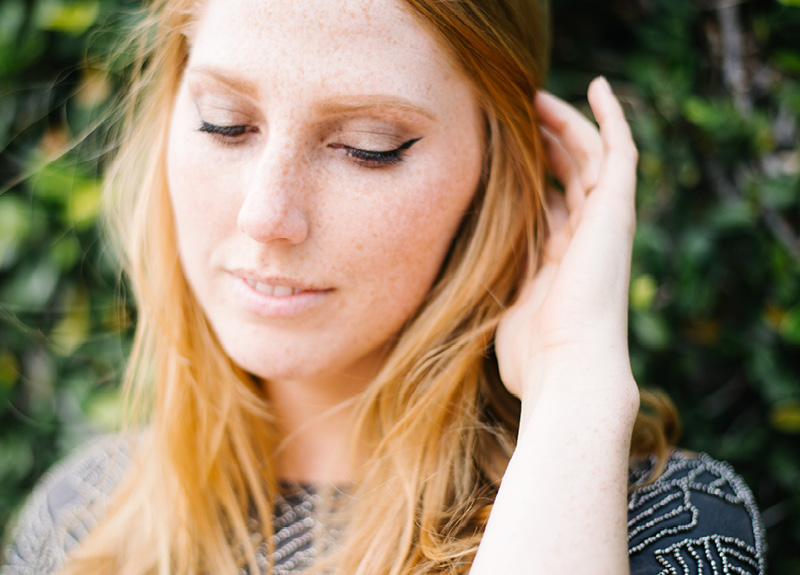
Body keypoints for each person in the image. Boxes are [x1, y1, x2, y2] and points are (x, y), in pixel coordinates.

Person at [1, 0, 766, 574]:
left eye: (371, 148)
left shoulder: (659, 527)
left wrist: (572, 392)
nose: (266, 216)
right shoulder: (80, 521)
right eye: (225, 123)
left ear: (500, 164)